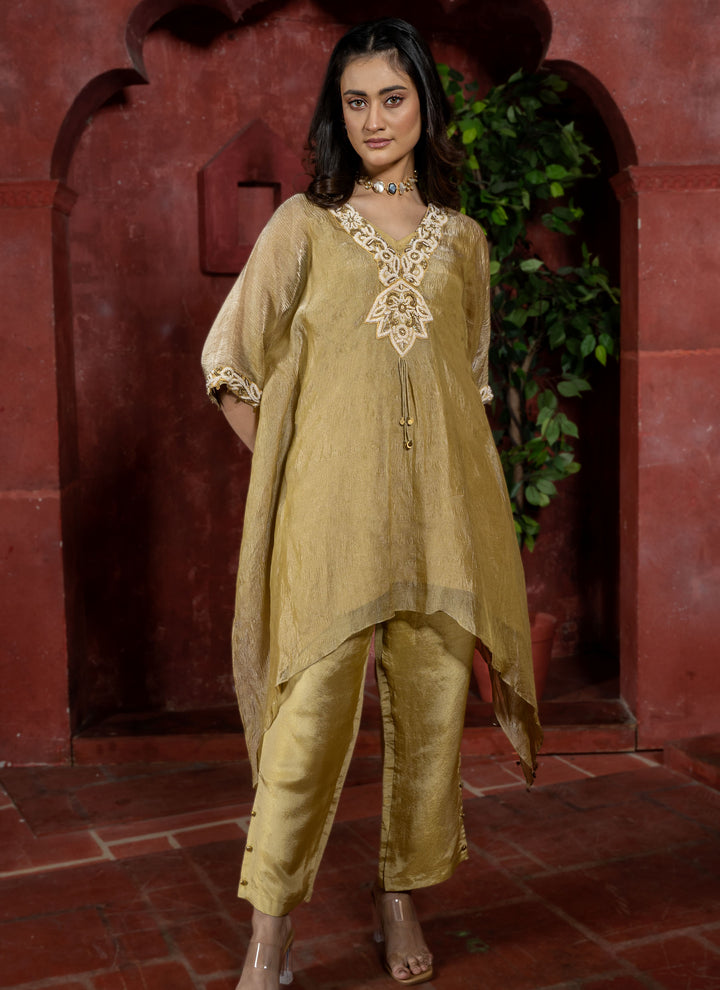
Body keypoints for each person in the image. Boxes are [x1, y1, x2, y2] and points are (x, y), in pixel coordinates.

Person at [201, 17, 543, 988]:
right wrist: (296, 472)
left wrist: (480, 524)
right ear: (336, 113)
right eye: (355, 101)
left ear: (424, 104)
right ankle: (270, 928)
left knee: (432, 716)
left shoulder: (464, 243)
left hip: (441, 518)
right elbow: (229, 367)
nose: (374, 119)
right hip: (330, 524)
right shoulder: (303, 227)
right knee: (307, 722)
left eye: (393, 98)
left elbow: (468, 393)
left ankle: (401, 895)